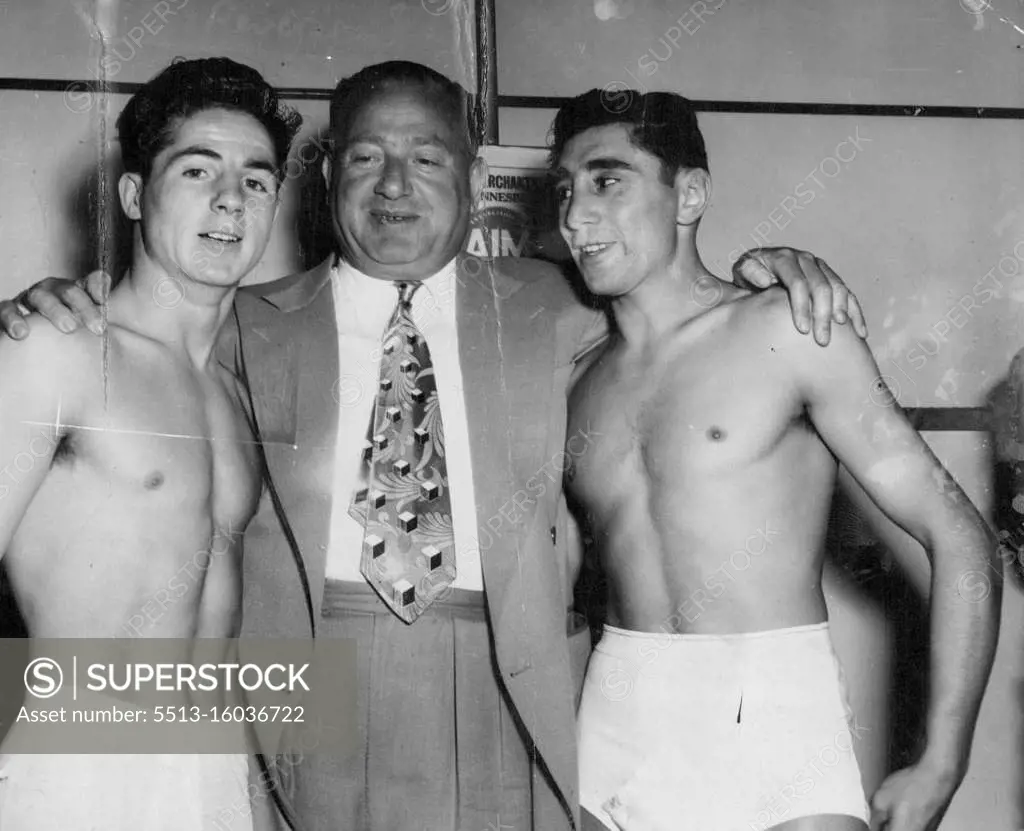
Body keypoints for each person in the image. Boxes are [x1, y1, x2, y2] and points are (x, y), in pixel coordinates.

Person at [0, 61, 868, 831]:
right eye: (369, 158)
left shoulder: (568, 306)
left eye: (428, 158)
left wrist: (779, 265)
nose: (395, 187)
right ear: (331, 174)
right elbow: (135, 336)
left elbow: (680, 298)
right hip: (296, 685)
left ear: (474, 173)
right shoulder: (239, 330)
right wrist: (43, 305)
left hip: (506, 671)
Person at [550, 89, 1001, 831]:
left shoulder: (787, 329)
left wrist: (942, 758)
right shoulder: (578, 379)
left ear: (689, 193)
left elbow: (959, 535)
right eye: (564, 189)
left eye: (607, 181)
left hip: (771, 721)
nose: (574, 215)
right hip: (615, 730)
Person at [0, 58, 301, 830]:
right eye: (198, 170)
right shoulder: (56, 347)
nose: (231, 199)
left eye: (257, 179)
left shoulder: (235, 394)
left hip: (210, 772)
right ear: (135, 194)